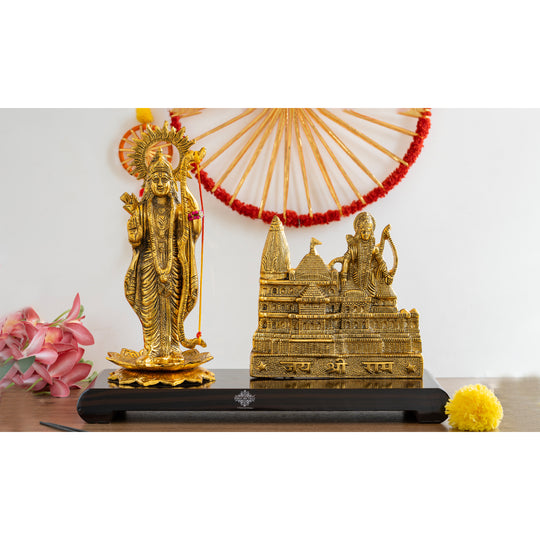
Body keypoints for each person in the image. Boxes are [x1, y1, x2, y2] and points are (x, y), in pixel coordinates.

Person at [124, 149, 202, 361]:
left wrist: (189, 197)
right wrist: (134, 231)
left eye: (165, 179)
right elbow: (136, 240)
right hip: (149, 266)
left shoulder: (179, 209)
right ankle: (151, 349)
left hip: (174, 265)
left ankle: (173, 348)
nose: (160, 183)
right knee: (150, 309)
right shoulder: (142, 209)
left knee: (172, 309)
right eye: (155, 179)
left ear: (172, 182)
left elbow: (193, 231)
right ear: (148, 182)